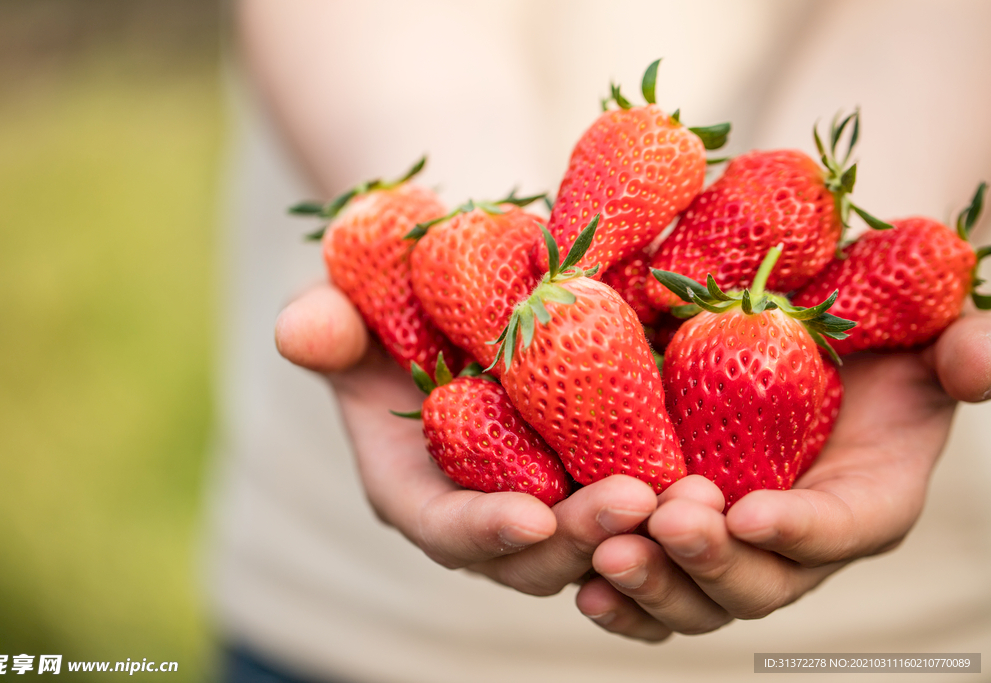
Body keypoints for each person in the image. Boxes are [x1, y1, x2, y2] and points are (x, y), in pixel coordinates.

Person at [207, 1, 991, 681]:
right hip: (357, 620)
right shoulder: (549, 303)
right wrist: (452, 219)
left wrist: (871, 205)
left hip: (905, 642)